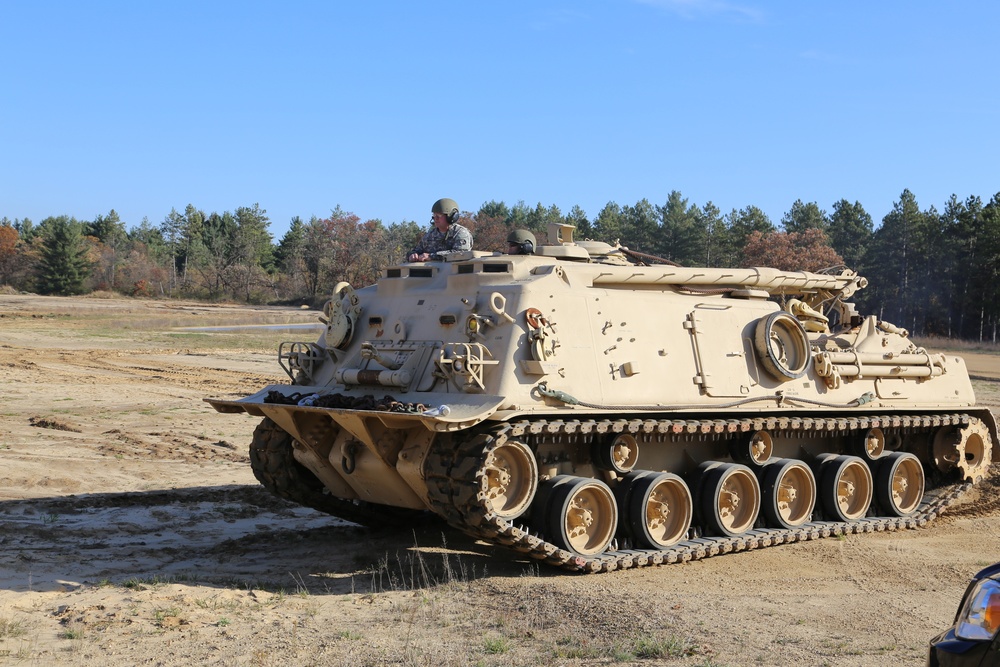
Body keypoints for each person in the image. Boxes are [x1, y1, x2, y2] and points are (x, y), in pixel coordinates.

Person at [406, 198, 473, 262]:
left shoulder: (460, 233)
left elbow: (460, 254)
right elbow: (416, 250)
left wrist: (431, 256)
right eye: (434, 215)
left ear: (451, 217)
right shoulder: (430, 236)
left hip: (453, 272)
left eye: (439, 215)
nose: (435, 218)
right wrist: (412, 255)